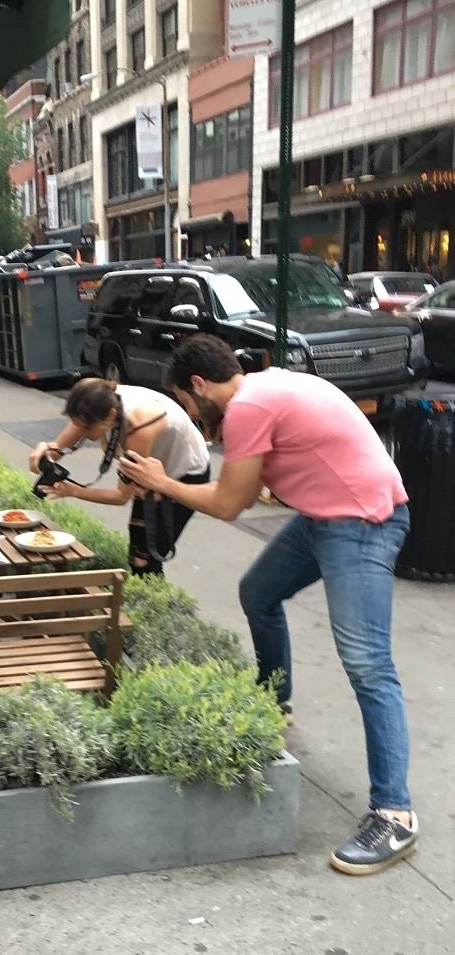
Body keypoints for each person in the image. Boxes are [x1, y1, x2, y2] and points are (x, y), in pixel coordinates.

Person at [118, 335, 415, 875]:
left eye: (186, 401)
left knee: (369, 666)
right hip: (323, 516)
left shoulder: (246, 407)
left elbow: (231, 504)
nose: (189, 413)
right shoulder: (261, 389)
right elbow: (254, 487)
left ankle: (394, 814)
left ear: (200, 385)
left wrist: (163, 482)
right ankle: (275, 701)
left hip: (363, 523)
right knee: (258, 593)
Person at [28, 377, 210, 575]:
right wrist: (46, 451)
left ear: (111, 415)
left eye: (87, 428)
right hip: (151, 472)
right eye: (77, 425)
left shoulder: (139, 426)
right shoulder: (97, 400)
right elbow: (61, 446)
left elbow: (120, 496)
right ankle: (142, 594)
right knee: (136, 555)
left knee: (147, 558)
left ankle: (152, 601)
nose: (82, 433)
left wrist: (73, 491)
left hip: (185, 474)